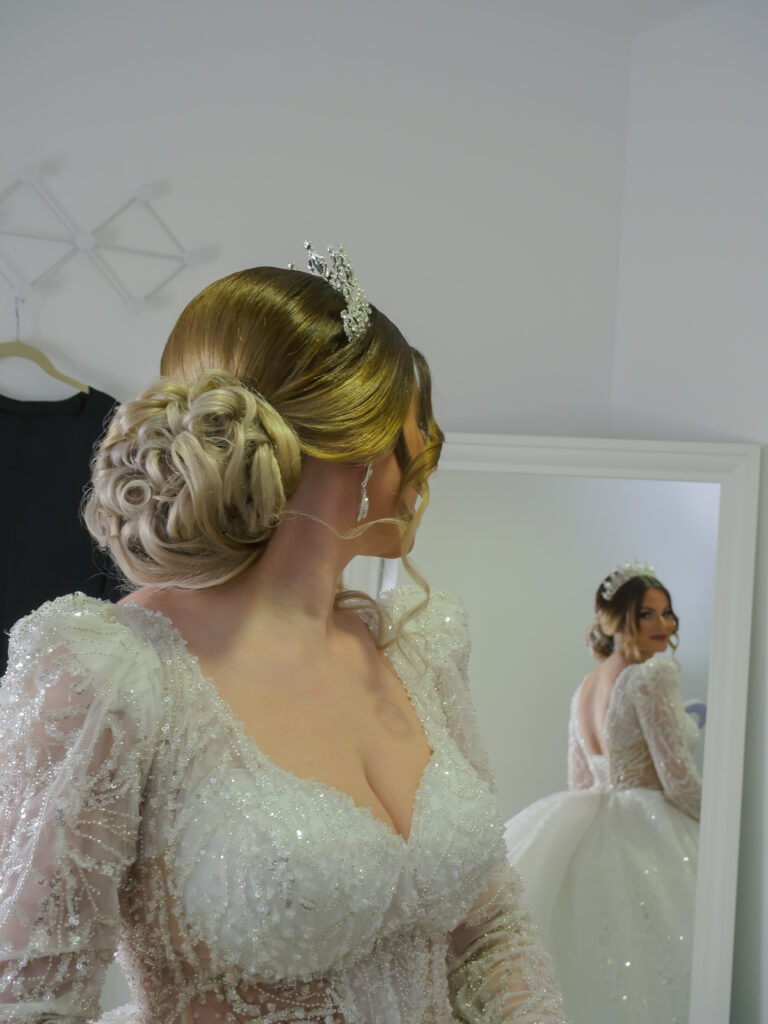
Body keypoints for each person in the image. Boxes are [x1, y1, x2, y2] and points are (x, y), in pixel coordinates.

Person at [0, 245, 567, 1024]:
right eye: (416, 420)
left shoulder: (417, 650)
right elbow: (33, 1001)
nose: (430, 450)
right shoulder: (114, 674)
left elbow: (491, 932)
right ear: (361, 441)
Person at [504, 560, 701, 1024]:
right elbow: (676, 777)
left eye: (667, 612)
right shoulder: (651, 676)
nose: (663, 624)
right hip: (648, 824)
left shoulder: (586, 686)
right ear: (616, 622)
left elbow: (580, 779)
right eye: (646, 614)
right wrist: (724, 826)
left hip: (591, 821)